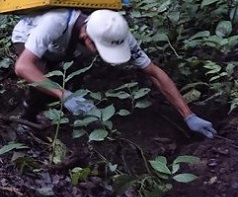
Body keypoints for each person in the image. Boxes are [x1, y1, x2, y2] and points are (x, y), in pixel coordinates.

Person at [12, 8, 217, 138]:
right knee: (40, 80)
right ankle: (26, 119)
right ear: (86, 37)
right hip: (29, 39)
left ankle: (66, 117)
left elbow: (153, 72)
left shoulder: (117, 32)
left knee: (72, 76)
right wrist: (65, 95)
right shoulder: (55, 21)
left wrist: (188, 115)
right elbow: (23, 67)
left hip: (66, 50)